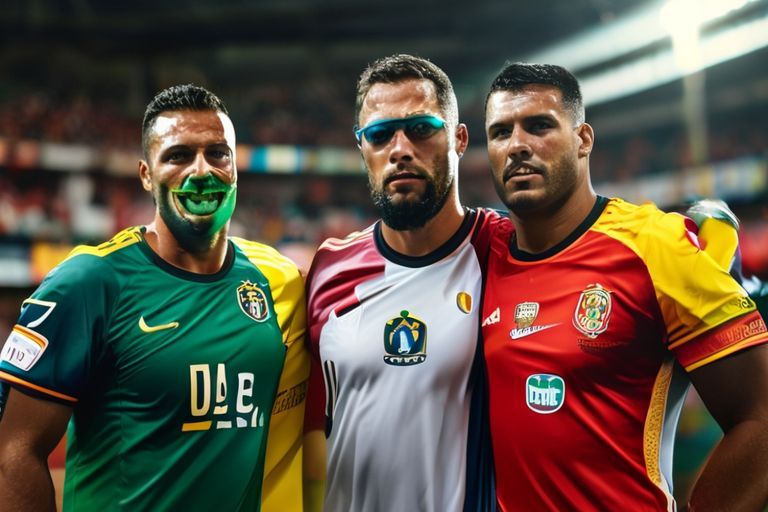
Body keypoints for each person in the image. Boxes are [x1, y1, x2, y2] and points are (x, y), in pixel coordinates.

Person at [0, 84, 309, 512]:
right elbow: (13, 454)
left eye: (217, 154)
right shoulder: (92, 282)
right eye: (178, 156)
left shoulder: (274, 279)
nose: (201, 170)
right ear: (146, 174)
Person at [481, 62, 768, 511]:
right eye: (501, 132)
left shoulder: (656, 247)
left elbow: (761, 416)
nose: (517, 144)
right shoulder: (483, 253)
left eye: (539, 126)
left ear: (583, 139)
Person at [303, 54, 503, 512]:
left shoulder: (506, 250)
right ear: (362, 147)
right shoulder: (328, 269)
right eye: (380, 134)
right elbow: (313, 425)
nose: (400, 149)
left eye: (420, 129)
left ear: (459, 139)